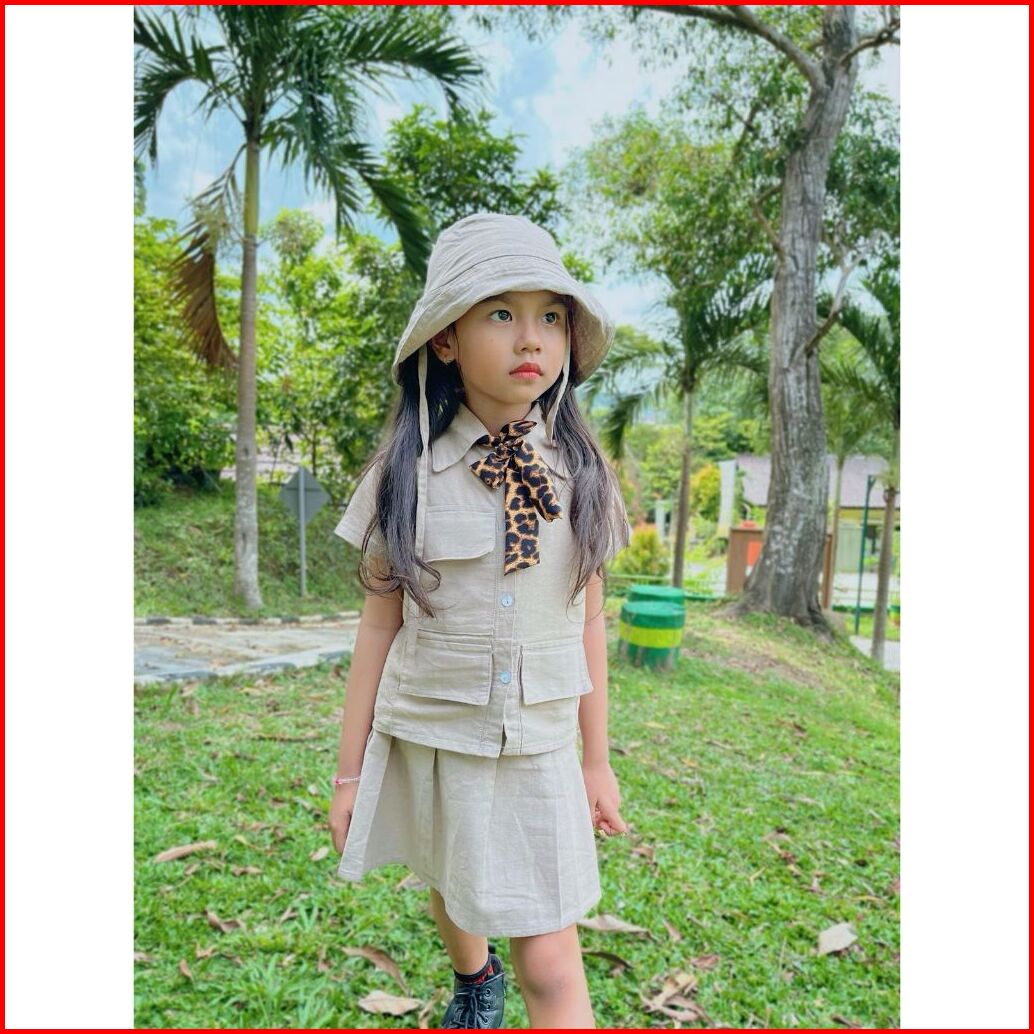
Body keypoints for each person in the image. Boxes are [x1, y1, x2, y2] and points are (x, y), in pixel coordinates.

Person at [328, 212, 632, 1029]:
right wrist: (349, 776)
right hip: (436, 731)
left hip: (539, 745)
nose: (530, 336)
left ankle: (502, 978)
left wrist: (595, 760)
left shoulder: (585, 475)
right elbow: (378, 628)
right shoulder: (405, 474)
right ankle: (474, 976)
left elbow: (590, 620)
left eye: (551, 316)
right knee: (453, 881)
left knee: (554, 964)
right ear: (446, 339)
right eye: (501, 312)